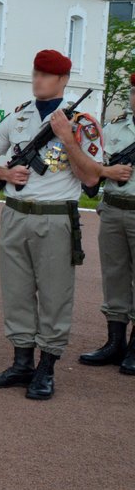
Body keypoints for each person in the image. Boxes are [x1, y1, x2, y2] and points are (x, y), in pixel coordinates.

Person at [0, 50, 102, 400]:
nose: (38, 80)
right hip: (15, 213)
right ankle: (21, 363)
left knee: (54, 294)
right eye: (35, 73)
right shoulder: (18, 117)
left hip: (55, 217)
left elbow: (92, 178)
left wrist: (68, 139)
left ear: (63, 80)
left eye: (46, 75)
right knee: (16, 291)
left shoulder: (82, 124)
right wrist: (4, 172)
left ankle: (46, 367)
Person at [85, 73, 135, 375]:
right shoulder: (115, 127)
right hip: (114, 210)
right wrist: (107, 172)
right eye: (133, 91)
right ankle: (114, 342)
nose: (134, 96)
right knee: (114, 275)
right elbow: (95, 166)